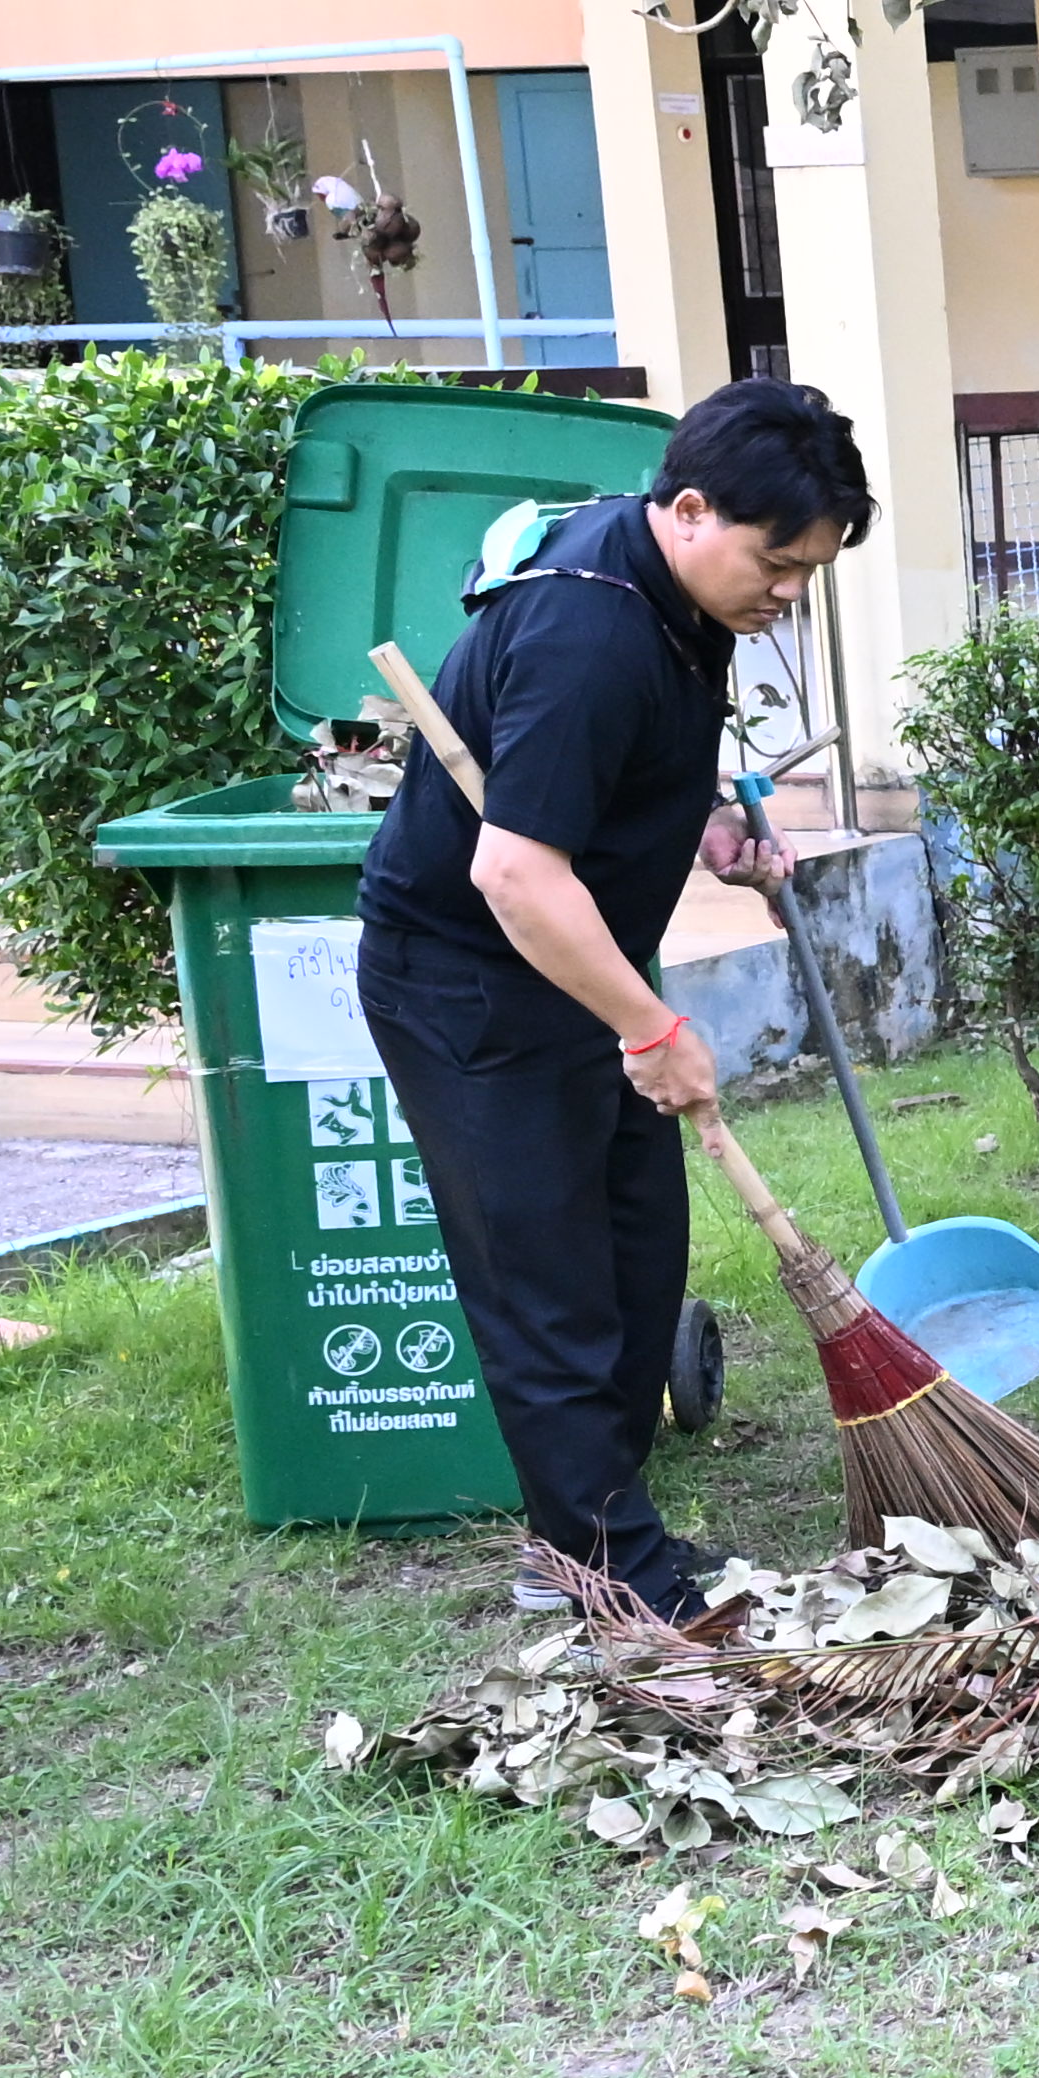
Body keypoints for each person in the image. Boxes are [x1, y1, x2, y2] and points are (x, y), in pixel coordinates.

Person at [356, 377, 874, 1618]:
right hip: (472, 981)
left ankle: (601, 1528)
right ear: (689, 509)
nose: (790, 593)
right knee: (549, 1280)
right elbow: (514, 868)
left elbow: (592, 780)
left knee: (639, 1256)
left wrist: (701, 828)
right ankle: (599, 1570)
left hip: (576, 963)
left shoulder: (676, 593)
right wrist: (651, 1025)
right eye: (777, 561)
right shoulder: (587, 631)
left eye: (812, 568)